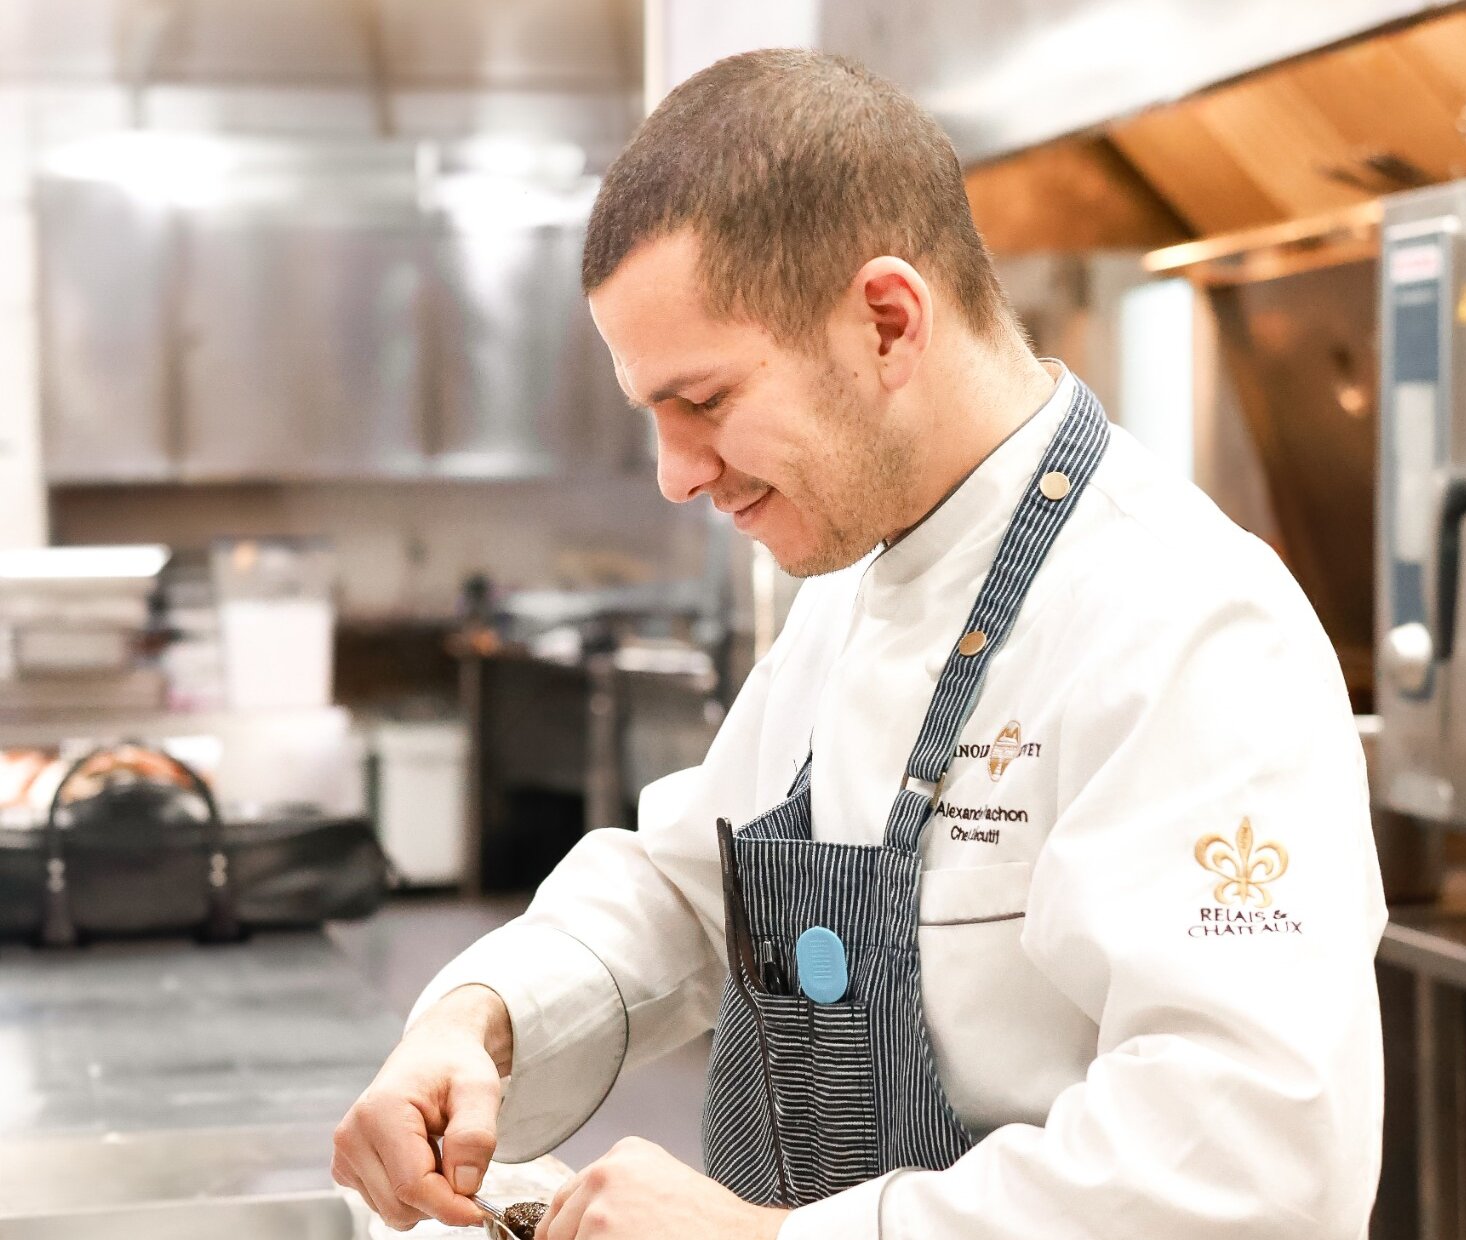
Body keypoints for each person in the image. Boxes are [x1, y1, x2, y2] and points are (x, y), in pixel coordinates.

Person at [333, 48, 1386, 1240]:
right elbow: (691, 885)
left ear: (887, 321)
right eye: (653, 419)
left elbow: (1249, 1165)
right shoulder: (858, 572)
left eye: (707, 402)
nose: (676, 476)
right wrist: (477, 1018)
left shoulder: (1186, 623)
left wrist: (773, 1239)